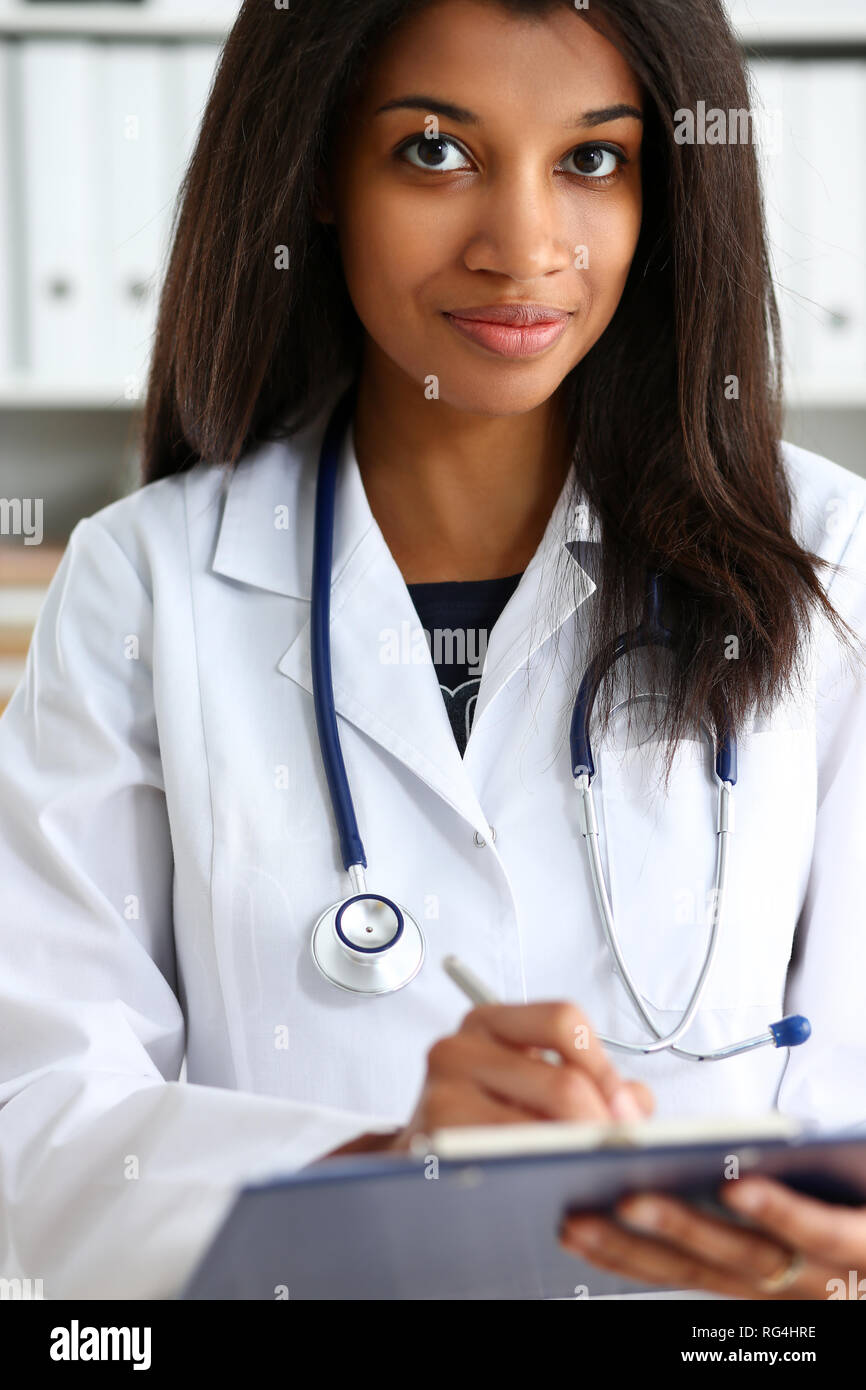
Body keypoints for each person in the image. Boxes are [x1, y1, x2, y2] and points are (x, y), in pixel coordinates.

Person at [1, 0, 865, 1300]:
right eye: (433, 151)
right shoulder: (149, 579)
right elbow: (41, 1119)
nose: (522, 246)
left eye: (591, 159)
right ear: (319, 176)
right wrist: (388, 1155)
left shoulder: (826, 559)